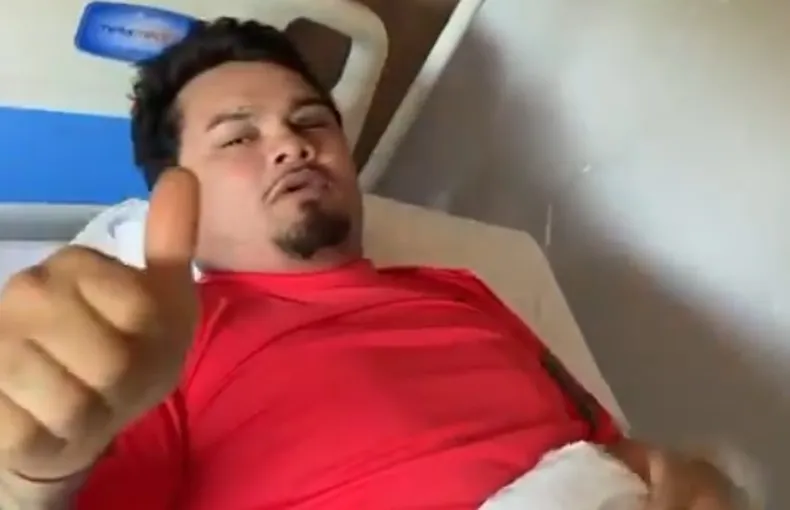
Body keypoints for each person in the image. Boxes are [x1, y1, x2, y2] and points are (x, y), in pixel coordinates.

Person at [0, 18, 738, 510]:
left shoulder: (465, 289)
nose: (292, 144)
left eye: (311, 121)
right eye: (238, 137)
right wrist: (33, 474)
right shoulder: (156, 346)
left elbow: (609, 448)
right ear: (174, 195)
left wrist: (688, 480)